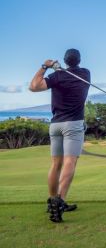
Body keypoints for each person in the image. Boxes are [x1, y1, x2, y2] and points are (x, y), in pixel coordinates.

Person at [29, 48, 90, 223]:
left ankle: (52, 201)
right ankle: (59, 202)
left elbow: (33, 87)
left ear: (63, 61)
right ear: (79, 60)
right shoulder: (86, 74)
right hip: (74, 125)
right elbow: (70, 73)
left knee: (56, 164)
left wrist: (45, 66)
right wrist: (58, 69)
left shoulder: (57, 77)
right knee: (70, 162)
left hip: (55, 125)